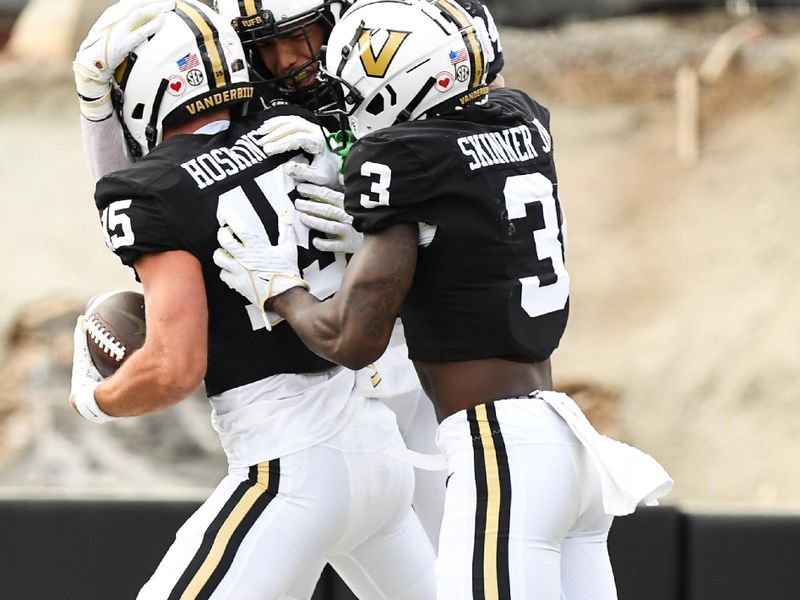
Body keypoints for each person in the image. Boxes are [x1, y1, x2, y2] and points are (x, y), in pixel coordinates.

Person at [213, 0, 674, 598]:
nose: (346, 102)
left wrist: (282, 290)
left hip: (500, 451)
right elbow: (463, 210)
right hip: (567, 446)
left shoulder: (398, 160)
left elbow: (353, 341)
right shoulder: (522, 116)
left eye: (355, 87)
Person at [68, 1, 436, 598]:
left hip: (289, 465)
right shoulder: (293, 133)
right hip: (380, 454)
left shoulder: (148, 191)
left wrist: (96, 400)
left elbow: (171, 367)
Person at [212, 0, 507, 548]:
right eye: (263, 48)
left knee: (458, 547)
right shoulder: (245, 116)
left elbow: (484, 215)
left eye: (302, 34)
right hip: (320, 382)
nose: (287, 60)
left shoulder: (400, 63)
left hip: (418, 359)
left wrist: (391, 233)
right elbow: (152, 202)